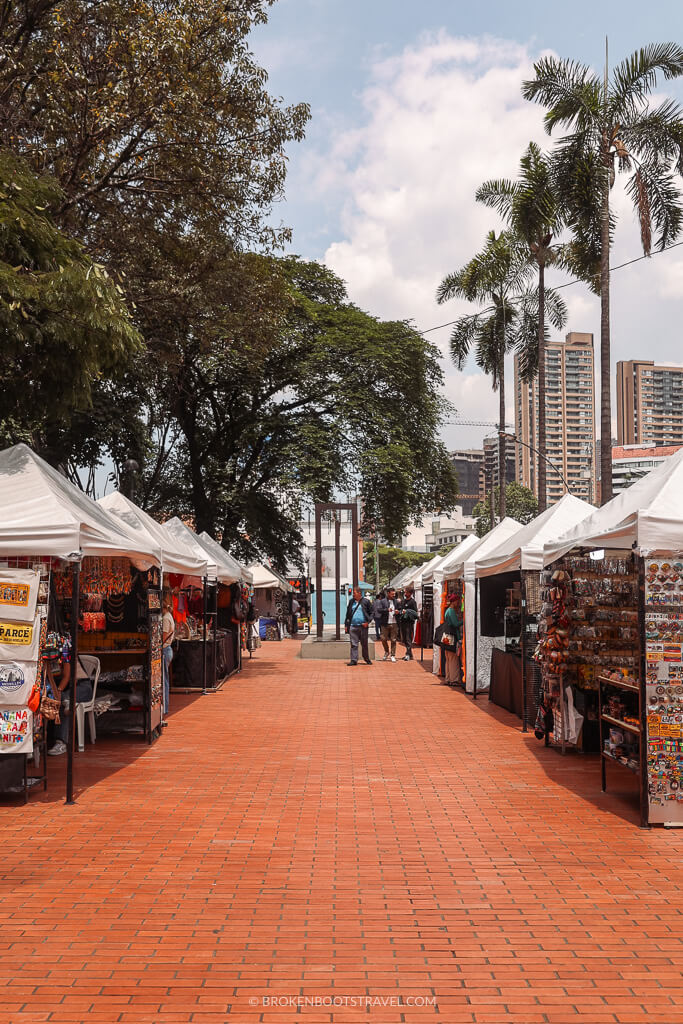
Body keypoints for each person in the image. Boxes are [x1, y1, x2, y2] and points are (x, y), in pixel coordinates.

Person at [47, 635, 93, 756]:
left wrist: (58, 691)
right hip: (67, 690)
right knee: (60, 700)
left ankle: (61, 742)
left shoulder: (66, 652)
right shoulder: (46, 655)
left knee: (65, 701)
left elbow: (67, 677)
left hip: (83, 688)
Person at [344, 586, 373, 666]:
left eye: (354, 593)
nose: (353, 594)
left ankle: (366, 659)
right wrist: (346, 625)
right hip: (353, 626)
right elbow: (348, 614)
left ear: (359, 593)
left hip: (363, 626)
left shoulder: (366, 602)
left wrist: (368, 622)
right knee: (353, 644)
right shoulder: (351, 602)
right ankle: (354, 660)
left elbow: (372, 612)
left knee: (364, 644)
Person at [443, 592, 463, 685]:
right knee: (453, 658)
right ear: (454, 601)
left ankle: (448, 678)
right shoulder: (451, 611)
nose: (458, 603)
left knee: (448, 658)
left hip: (447, 637)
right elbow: (455, 624)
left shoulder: (447, 611)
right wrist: (464, 620)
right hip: (452, 636)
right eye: (457, 601)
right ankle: (454, 679)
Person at [376, 586, 399, 662]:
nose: (394, 595)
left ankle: (393, 655)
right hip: (385, 622)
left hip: (394, 622)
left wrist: (398, 611)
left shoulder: (396, 601)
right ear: (388, 593)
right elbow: (379, 610)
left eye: (394, 594)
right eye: (392, 594)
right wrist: (387, 610)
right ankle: (386, 651)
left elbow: (400, 608)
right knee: (383, 638)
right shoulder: (382, 601)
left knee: (393, 640)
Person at [162, 598, 175, 722]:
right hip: (168, 650)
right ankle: (164, 706)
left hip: (165, 650)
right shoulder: (169, 616)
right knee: (164, 679)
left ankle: (164, 707)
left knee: (164, 680)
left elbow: (164, 636)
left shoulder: (166, 618)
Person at [398, 586, 419, 661]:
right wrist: (399, 611)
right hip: (402, 622)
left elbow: (415, 613)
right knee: (404, 638)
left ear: (410, 593)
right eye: (405, 592)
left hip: (409, 623)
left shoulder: (412, 602)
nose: (405, 593)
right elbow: (400, 609)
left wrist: (407, 611)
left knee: (408, 638)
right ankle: (409, 654)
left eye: (406, 592)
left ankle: (408, 654)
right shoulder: (403, 601)